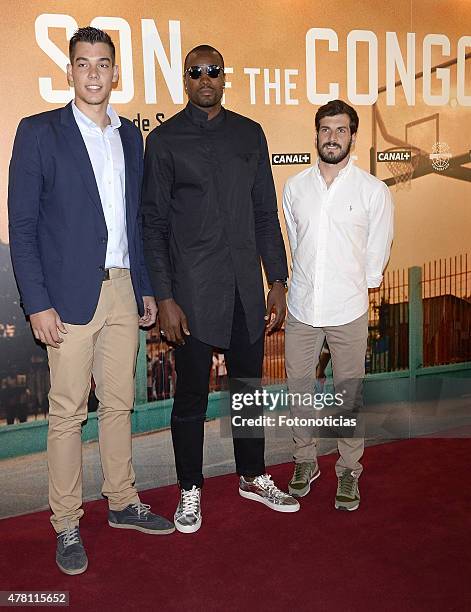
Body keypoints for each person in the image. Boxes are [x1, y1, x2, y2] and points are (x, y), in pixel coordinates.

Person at [8, 26, 174, 576]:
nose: (95, 74)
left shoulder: (130, 137)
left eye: (104, 64)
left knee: (122, 404)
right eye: (84, 64)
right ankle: (66, 522)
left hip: (124, 287)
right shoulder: (38, 133)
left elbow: (134, 221)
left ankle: (123, 501)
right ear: (71, 71)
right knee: (66, 414)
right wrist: (37, 303)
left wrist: (146, 285)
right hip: (68, 298)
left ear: (115, 72)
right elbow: (24, 226)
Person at [142, 44, 299, 533]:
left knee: (248, 392)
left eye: (213, 70)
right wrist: (165, 297)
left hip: (245, 293)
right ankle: (190, 489)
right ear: (185, 80)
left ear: (224, 77)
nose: (205, 77)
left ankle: (252, 475)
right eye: (195, 71)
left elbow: (264, 215)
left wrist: (277, 279)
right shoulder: (164, 141)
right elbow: (153, 224)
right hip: (189, 295)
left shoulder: (250, 134)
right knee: (190, 398)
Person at [283, 99, 393, 509]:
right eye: (326, 130)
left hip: (348, 309)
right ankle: (304, 461)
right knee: (300, 391)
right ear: (316, 135)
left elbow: (376, 252)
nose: (332, 137)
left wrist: (357, 289)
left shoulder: (373, 191)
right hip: (302, 307)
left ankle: (349, 470)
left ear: (352, 137)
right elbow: (297, 245)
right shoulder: (294, 188)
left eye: (341, 130)